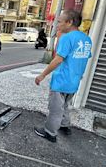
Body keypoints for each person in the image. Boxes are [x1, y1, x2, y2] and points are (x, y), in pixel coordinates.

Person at [34, 10, 92, 143]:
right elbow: (83, 59)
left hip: (61, 81)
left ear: (69, 22)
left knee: (55, 109)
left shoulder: (67, 38)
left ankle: (50, 133)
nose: (57, 24)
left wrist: (42, 75)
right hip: (74, 81)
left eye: (59, 21)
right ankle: (65, 126)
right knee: (65, 105)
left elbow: (58, 60)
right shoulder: (86, 39)